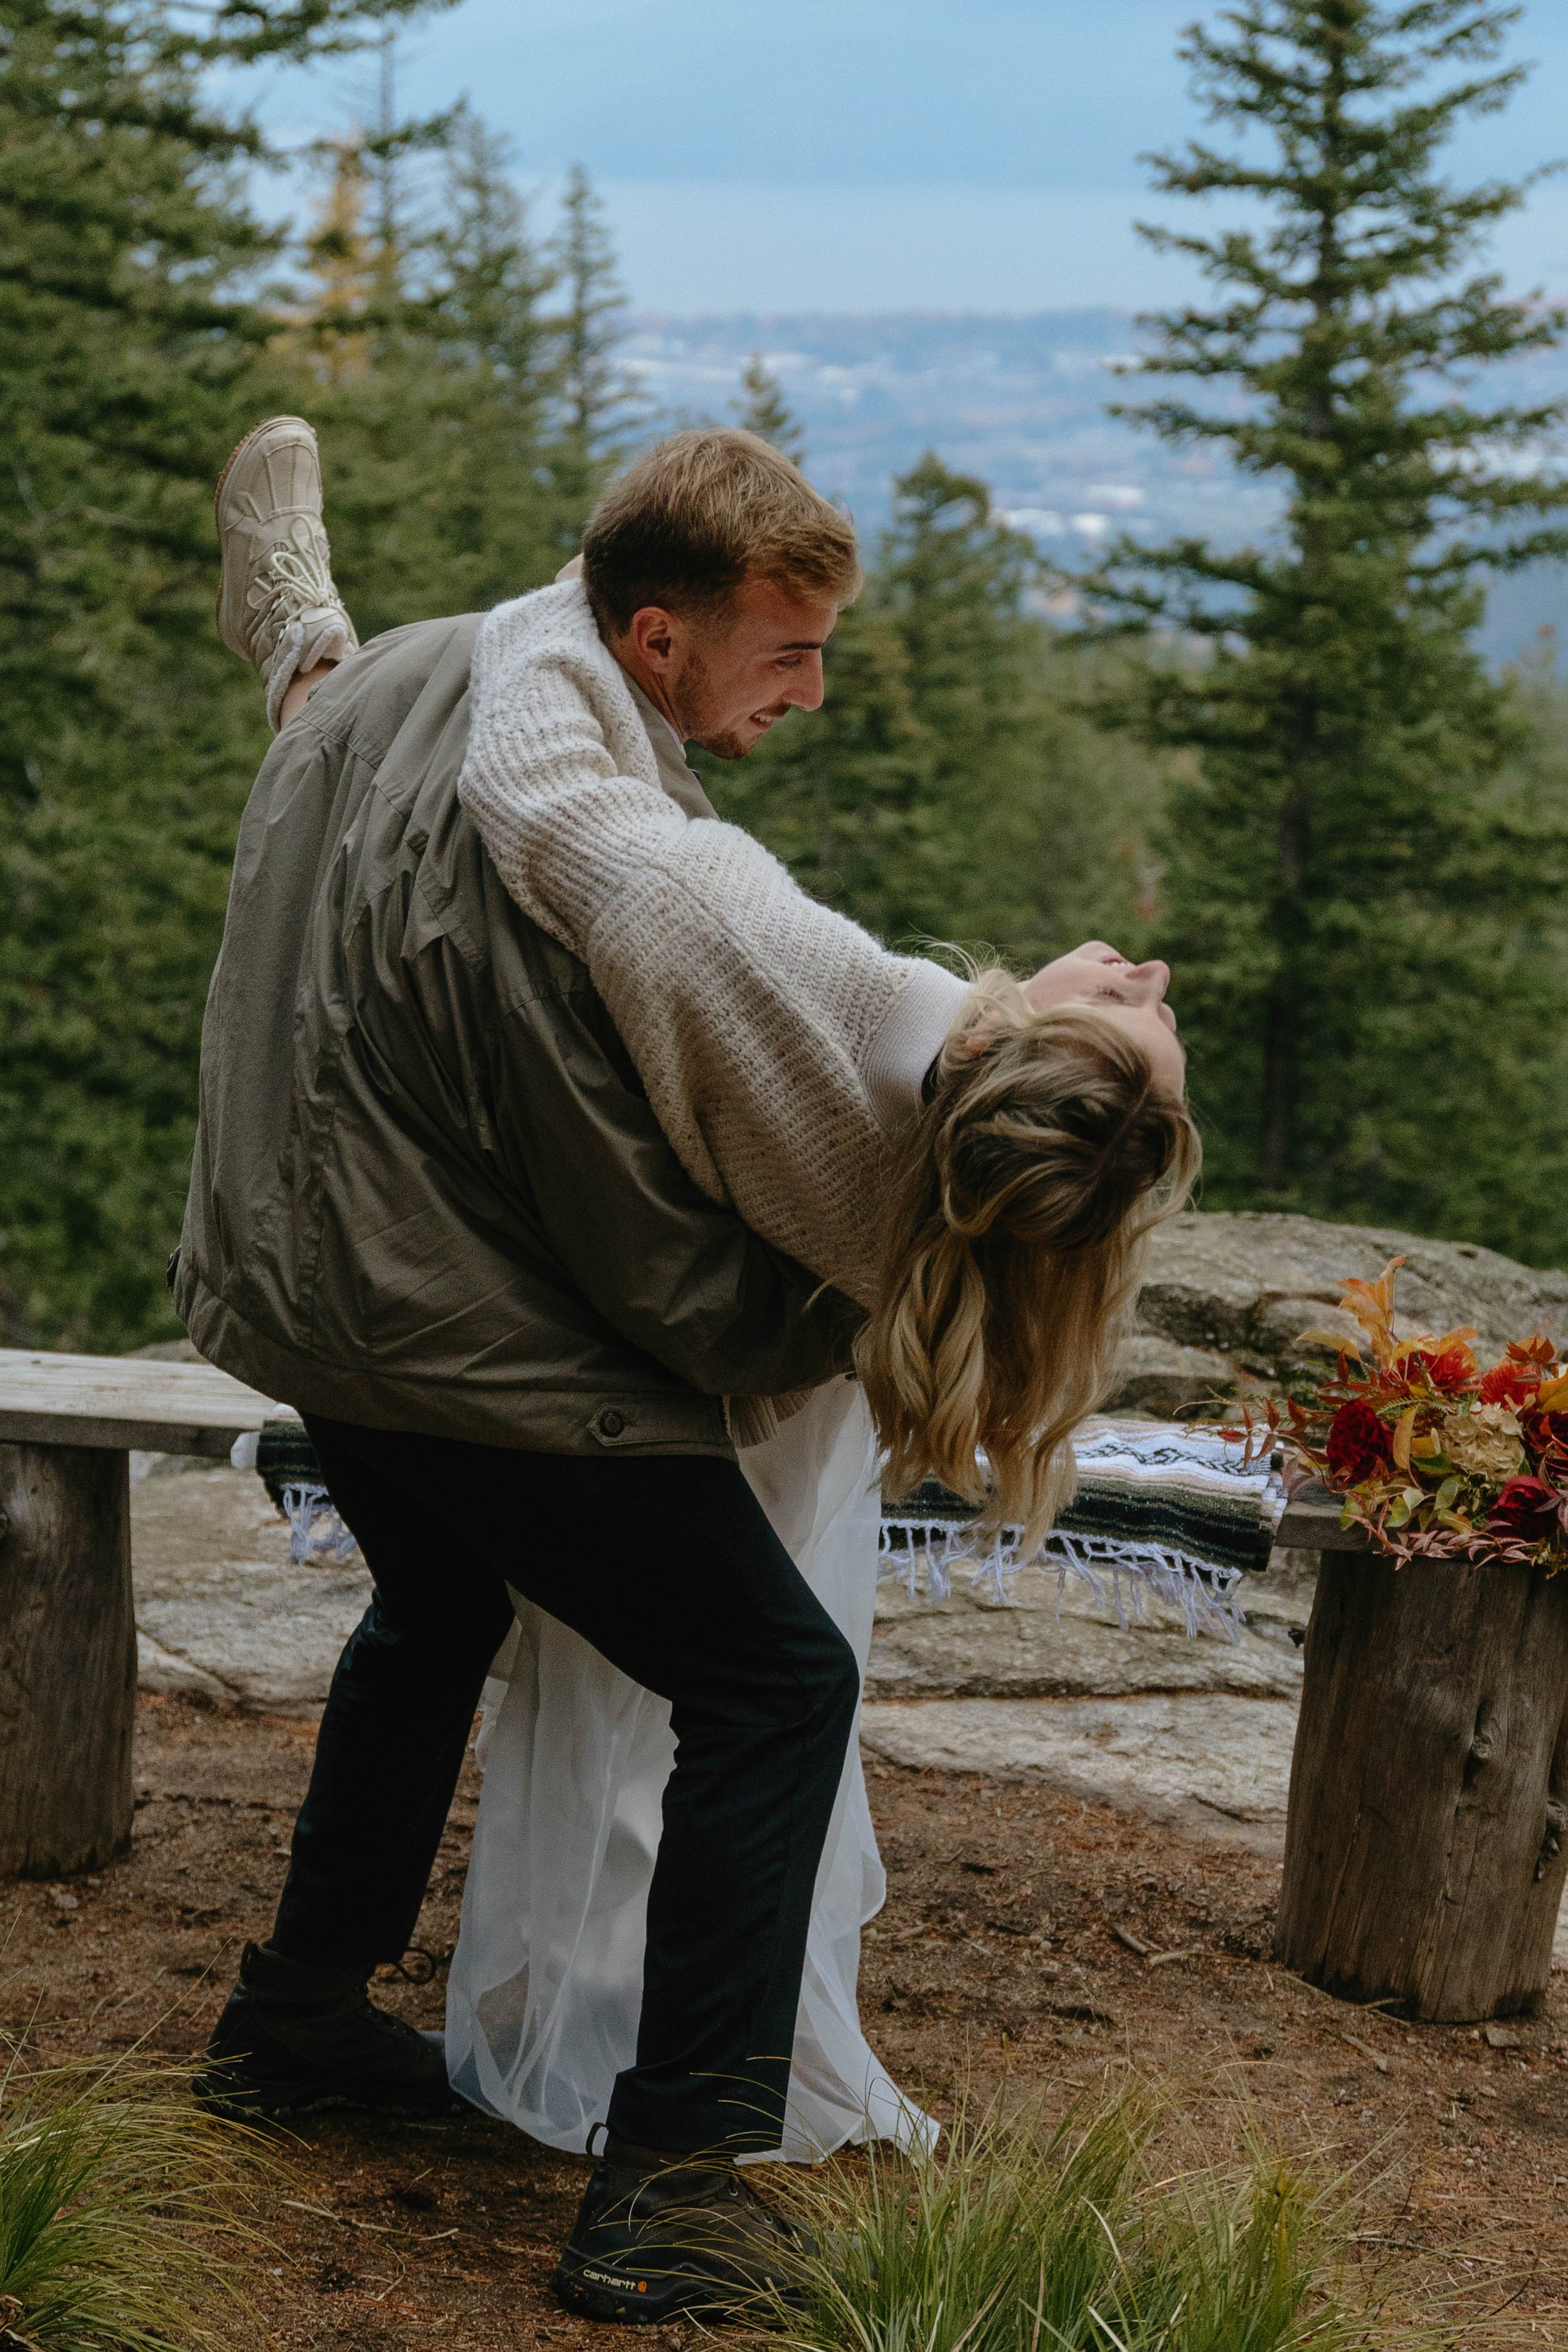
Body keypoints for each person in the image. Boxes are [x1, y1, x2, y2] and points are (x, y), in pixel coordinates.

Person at [181, 414, 1199, 2324]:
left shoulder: (444, 685)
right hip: (434, 1335)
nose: (808, 694)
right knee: (770, 1677)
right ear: (653, 641)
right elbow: (812, 993)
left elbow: (314, 696)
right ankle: (669, 2182)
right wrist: (1031, 1021)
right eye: (784, 654)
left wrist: (295, 614)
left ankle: (294, 2019)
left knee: (432, 1600)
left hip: (295, 1285)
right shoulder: (652, 861)